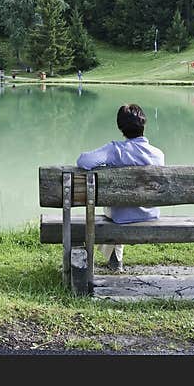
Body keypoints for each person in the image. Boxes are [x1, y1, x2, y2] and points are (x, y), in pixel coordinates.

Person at [76, 104, 165, 272]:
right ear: (143, 125)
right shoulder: (158, 154)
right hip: (151, 214)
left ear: (120, 128)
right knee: (119, 207)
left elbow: (83, 161)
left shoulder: (116, 150)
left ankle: (115, 259)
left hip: (122, 216)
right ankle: (115, 259)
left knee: (113, 210)